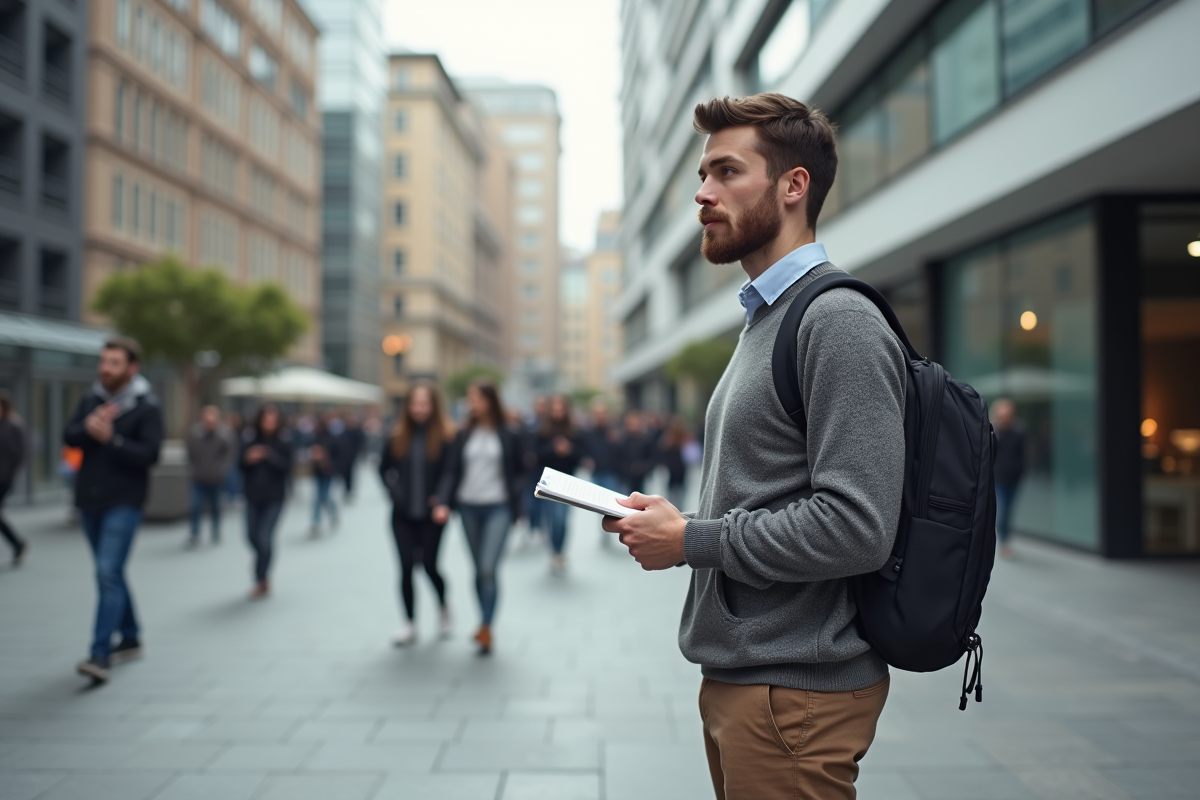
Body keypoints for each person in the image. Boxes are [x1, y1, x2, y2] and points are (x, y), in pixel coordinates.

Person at [603, 94, 906, 800]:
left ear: (793, 185)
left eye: (726, 172)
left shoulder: (835, 320)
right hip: (754, 681)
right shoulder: (767, 319)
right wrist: (678, 523)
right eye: (702, 177)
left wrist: (691, 541)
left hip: (794, 691)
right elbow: (774, 485)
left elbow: (858, 527)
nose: (703, 195)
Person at [63, 337, 164, 684]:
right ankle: (131, 635)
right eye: (104, 361)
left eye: (114, 362)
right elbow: (70, 436)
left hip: (125, 502)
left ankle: (100, 653)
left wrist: (113, 440)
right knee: (112, 572)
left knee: (107, 572)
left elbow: (150, 455)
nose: (105, 368)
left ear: (131, 368)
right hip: (90, 500)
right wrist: (89, 429)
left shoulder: (146, 407)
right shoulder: (92, 399)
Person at [435, 382, 523, 655]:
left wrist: (518, 505)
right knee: (477, 569)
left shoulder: (508, 434)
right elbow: (451, 470)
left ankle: (486, 625)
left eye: (476, 399)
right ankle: (483, 622)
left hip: (498, 507)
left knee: (487, 567)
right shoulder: (462, 434)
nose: (471, 404)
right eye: (469, 398)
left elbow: (520, 471)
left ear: (490, 401)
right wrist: (443, 502)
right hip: (468, 507)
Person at [378, 382, 454, 646]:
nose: (420, 408)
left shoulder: (445, 436)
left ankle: (444, 606)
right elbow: (383, 470)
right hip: (402, 514)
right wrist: (394, 491)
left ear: (433, 406)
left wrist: (443, 500)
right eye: (415, 403)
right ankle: (409, 623)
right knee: (406, 567)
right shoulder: (397, 435)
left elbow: (449, 472)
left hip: (433, 514)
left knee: (430, 566)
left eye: (425, 403)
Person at [241, 405, 294, 599]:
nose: (269, 423)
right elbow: (239, 463)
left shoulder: (284, 440)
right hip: (252, 495)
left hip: (274, 497)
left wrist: (269, 456)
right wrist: (248, 458)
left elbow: (288, 467)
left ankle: (261, 577)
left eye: (273, 419)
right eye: (266, 419)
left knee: (264, 537)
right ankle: (261, 560)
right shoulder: (250, 438)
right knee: (251, 535)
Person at [536, 394, 583, 574]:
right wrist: (553, 449)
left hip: (568, 481)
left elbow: (581, 456)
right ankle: (554, 551)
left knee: (562, 519)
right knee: (551, 518)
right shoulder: (543, 430)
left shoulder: (574, 431)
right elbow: (536, 455)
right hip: (548, 482)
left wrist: (569, 450)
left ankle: (560, 551)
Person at [186, 405, 236, 548]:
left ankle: (215, 529)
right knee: (195, 505)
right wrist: (193, 469)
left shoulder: (225, 434)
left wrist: (222, 470)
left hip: (216, 477)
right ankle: (194, 533)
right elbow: (190, 453)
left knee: (215, 505)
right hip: (198, 476)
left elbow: (229, 455)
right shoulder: (194, 433)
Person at [992, 398, 1025, 559]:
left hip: (1013, 478)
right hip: (998, 478)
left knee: (1009, 510)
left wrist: (1020, 471)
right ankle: (1003, 541)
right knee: (1002, 509)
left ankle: (1005, 539)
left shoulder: (1018, 432)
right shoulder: (993, 432)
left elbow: (1022, 454)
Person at [0, 390, 28, 566]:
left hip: (3, 478)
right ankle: (17, 543)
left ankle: (17, 543)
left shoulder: (14, 426)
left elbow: (19, 454)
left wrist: (7, 474)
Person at [308, 414, 341, 537]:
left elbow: (339, 455)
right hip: (318, 472)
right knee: (317, 497)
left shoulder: (332, 438)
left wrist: (325, 457)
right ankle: (316, 523)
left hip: (329, 471)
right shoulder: (314, 437)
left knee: (325, 497)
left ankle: (332, 515)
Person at [582, 399, 622, 492]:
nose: (600, 416)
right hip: (595, 473)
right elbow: (583, 452)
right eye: (597, 413)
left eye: (602, 413)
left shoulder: (614, 432)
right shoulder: (587, 433)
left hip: (612, 474)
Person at [618, 410, 654, 496]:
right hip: (625, 478)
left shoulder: (646, 439)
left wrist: (643, 467)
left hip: (641, 478)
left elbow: (652, 457)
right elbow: (618, 458)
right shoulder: (622, 440)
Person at [658, 417, 690, 509]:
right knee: (678, 492)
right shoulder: (676, 439)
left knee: (674, 492)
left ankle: (673, 508)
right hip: (678, 469)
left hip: (675, 469)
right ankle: (678, 508)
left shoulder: (674, 439)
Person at [338, 413, 365, 502]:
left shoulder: (357, 432)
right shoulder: (344, 432)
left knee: (351, 475)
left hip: (352, 457)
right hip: (343, 458)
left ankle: (349, 490)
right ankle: (347, 489)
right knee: (345, 475)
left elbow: (361, 444)